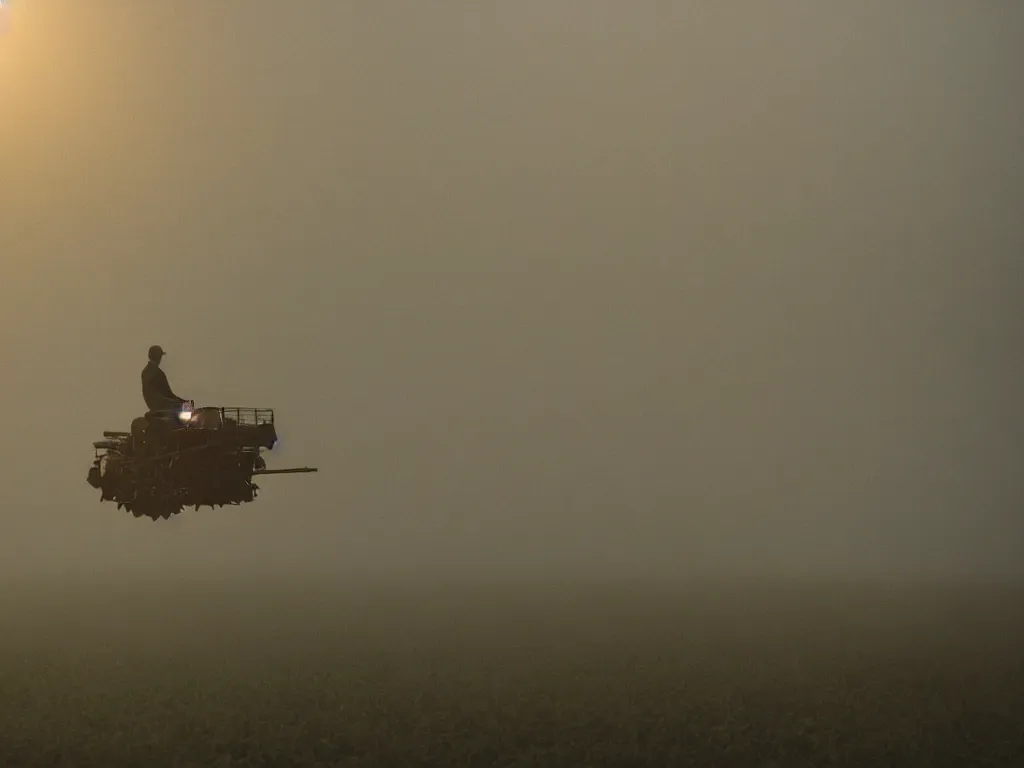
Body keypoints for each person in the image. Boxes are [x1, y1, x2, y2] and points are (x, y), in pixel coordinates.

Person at [141, 345, 187, 415]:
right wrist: (182, 402)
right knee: (184, 408)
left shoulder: (145, 371)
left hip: (151, 404)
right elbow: (168, 393)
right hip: (161, 403)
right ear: (159, 357)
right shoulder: (158, 373)